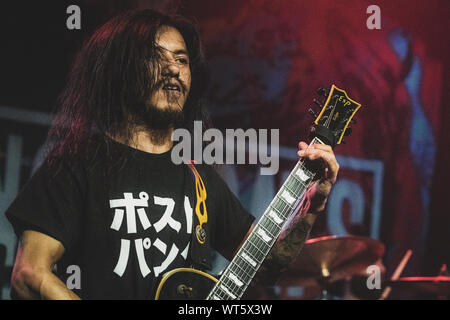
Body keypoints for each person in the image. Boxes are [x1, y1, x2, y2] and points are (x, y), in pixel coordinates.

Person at [6, 9, 339, 300]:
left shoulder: (200, 181)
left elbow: (267, 265)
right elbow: (30, 275)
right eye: (156, 56)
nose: (173, 69)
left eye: (181, 59)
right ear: (122, 72)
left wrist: (311, 207)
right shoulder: (75, 166)